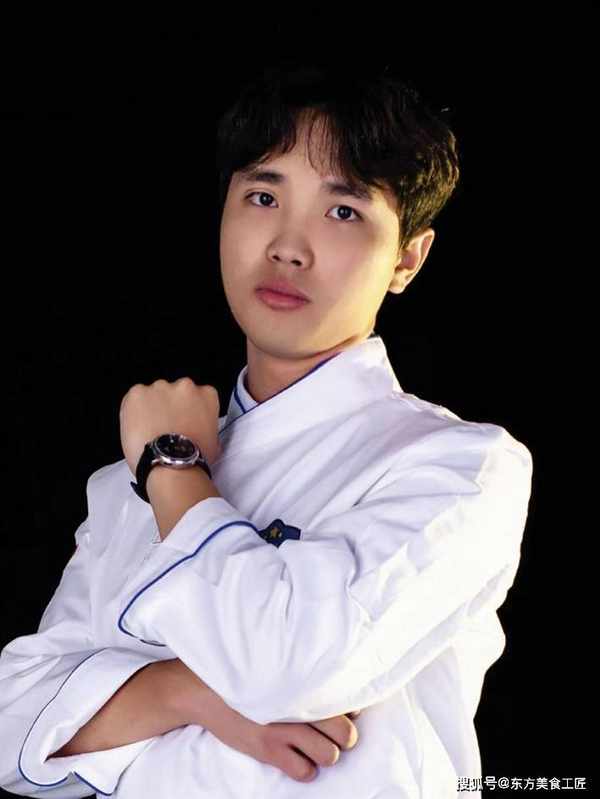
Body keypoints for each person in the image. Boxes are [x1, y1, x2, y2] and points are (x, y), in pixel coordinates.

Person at [0, 65, 533, 798]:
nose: (288, 246)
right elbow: (10, 728)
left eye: (342, 211)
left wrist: (173, 467)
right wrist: (189, 694)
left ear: (408, 258)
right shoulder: (124, 490)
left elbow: (289, 668)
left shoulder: (461, 467)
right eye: (262, 196)